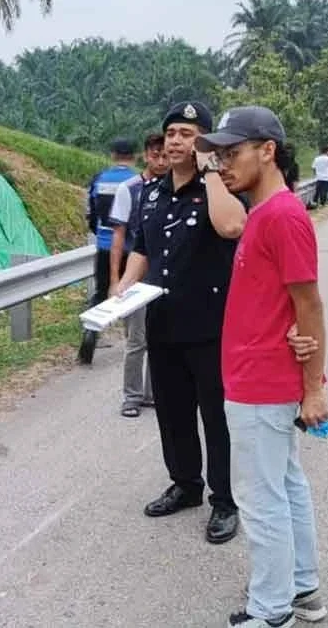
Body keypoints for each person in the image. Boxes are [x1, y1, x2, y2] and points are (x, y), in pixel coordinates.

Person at [194, 106, 328, 628]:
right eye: (220, 154)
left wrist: (313, 387)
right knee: (286, 486)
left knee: (261, 499)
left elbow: (310, 304)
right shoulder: (265, 214)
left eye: (233, 152)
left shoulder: (282, 217)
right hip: (261, 379)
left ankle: (271, 611)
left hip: (262, 384)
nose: (223, 163)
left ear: (267, 151)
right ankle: (302, 590)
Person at [114, 101, 246, 544]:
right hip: (163, 323)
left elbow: (231, 229)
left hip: (211, 327)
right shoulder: (151, 193)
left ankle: (224, 500)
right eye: (170, 132)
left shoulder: (220, 189)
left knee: (216, 416)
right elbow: (141, 248)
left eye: (187, 134)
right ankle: (186, 484)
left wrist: (210, 170)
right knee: (172, 413)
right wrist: (123, 287)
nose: (174, 140)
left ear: (204, 143)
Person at [107, 133, 170, 417]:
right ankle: (131, 396)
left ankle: (152, 392)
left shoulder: (175, 187)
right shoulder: (130, 189)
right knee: (137, 338)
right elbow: (118, 237)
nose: (161, 160)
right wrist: (114, 280)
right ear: (146, 155)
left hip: (166, 275)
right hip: (136, 274)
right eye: (155, 155)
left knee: (162, 337)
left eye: (165, 155)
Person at [79, 138, 140, 364]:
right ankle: (132, 342)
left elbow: (91, 213)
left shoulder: (100, 179)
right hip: (133, 249)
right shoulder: (137, 181)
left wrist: (100, 233)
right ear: (134, 156)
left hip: (105, 244)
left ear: (113, 154)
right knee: (133, 296)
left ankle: (90, 335)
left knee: (101, 292)